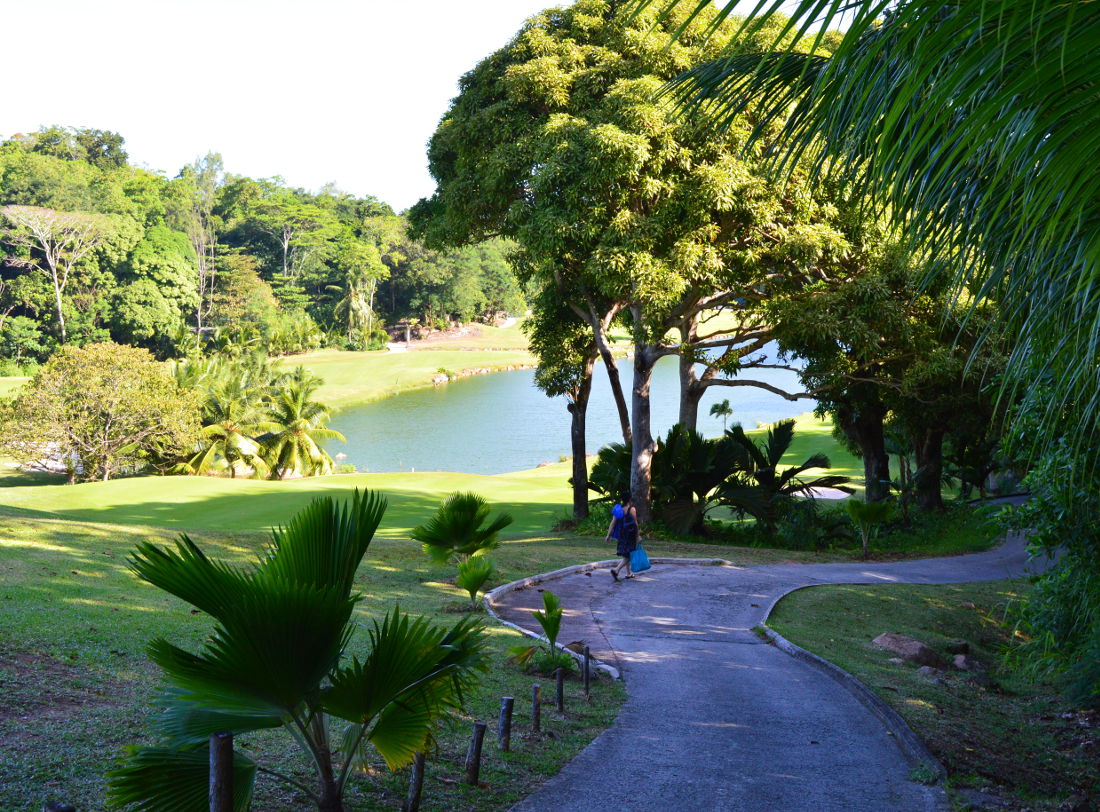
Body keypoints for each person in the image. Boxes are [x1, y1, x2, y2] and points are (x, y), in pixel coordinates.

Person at [604, 492, 638, 581]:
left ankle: (629, 573)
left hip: (621, 534)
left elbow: (612, 523)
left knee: (626, 554)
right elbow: (635, 524)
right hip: (630, 535)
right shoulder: (632, 509)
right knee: (630, 554)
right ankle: (616, 570)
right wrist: (638, 536)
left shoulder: (618, 509)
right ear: (630, 499)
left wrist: (608, 535)